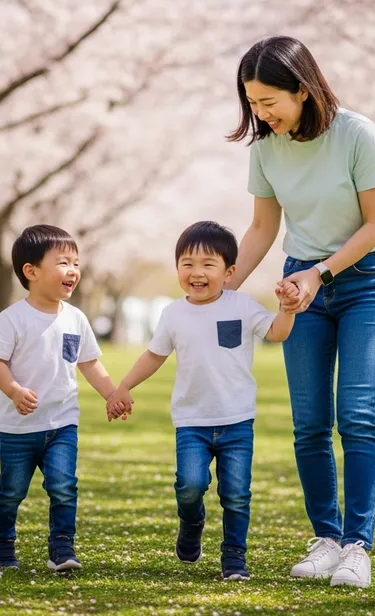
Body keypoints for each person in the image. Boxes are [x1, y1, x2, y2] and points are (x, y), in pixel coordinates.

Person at [227, 36, 375, 588]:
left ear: (303, 88)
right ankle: (326, 538)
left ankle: (358, 546)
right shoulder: (265, 149)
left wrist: (320, 273)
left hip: (365, 279)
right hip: (301, 284)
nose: (261, 113)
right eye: (252, 103)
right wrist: (220, 286)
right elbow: (261, 229)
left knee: (357, 415)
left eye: (268, 101)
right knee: (309, 424)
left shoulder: (356, 133)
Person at [107, 221, 296, 581]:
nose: (197, 272)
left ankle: (234, 558)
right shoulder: (173, 314)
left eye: (208, 264)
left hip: (237, 420)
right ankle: (191, 522)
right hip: (191, 422)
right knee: (190, 485)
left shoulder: (241, 305)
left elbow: (276, 332)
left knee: (237, 493)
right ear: (177, 268)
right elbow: (153, 355)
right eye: (187, 263)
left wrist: (287, 309)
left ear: (229, 272)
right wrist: (124, 386)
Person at [0, 224, 120, 572]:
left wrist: (111, 393)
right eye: (63, 262)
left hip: (62, 423)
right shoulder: (13, 318)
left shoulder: (76, 318)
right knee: (12, 490)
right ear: (31, 271)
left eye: (76, 262)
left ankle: (61, 548)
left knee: (63, 486)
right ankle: (0, 545)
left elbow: (89, 363)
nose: (73, 270)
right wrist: (14, 390)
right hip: (19, 427)